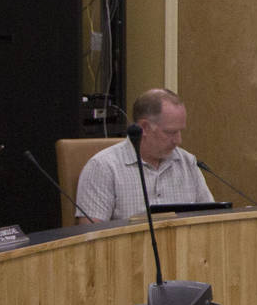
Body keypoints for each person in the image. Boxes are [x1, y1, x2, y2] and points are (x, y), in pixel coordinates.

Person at [75, 87, 214, 222]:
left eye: (180, 131)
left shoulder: (187, 162)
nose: (178, 140)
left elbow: (209, 221)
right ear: (144, 127)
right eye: (170, 132)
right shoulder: (103, 167)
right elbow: (91, 237)